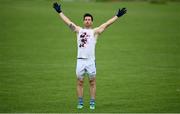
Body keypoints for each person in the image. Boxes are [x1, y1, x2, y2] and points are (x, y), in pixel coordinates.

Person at [53, 2, 127, 110]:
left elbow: (106, 24)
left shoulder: (95, 32)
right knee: (80, 82)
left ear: (92, 22)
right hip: (80, 61)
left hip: (91, 61)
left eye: (89, 19)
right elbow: (68, 22)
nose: (87, 21)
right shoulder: (78, 30)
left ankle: (92, 102)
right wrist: (59, 12)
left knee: (92, 82)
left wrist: (117, 16)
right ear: (83, 21)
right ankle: (80, 102)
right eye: (86, 19)